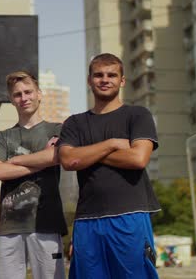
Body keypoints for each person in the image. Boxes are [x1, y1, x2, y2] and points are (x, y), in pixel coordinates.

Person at [58, 53, 160, 278]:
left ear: (122, 81)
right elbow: (67, 161)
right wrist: (112, 144)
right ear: (89, 80)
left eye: (112, 75)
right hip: (87, 220)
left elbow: (137, 159)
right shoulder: (75, 123)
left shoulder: (137, 115)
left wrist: (86, 152)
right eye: (99, 75)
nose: (105, 79)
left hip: (129, 216)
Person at [0, 70, 67, 279]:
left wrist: (14, 161)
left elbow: (57, 158)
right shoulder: (3, 137)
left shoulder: (57, 130)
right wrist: (43, 160)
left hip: (46, 223)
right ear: (11, 100)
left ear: (39, 94)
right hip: (8, 227)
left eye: (28, 92)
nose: (24, 98)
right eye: (18, 94)